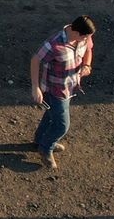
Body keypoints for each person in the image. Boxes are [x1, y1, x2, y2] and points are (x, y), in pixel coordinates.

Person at [30, 15, 96, 169]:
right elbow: (35, 60)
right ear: (77, 33)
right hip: (54, 90)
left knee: (51, 115)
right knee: (61, 125)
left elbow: (89, 49)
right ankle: (46, 148)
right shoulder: (53, 45)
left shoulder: (83, 38)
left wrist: (87, 65)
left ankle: (40, 140)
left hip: (69, 87)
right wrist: (35, 87)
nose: (88, 40)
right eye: (86, 37)